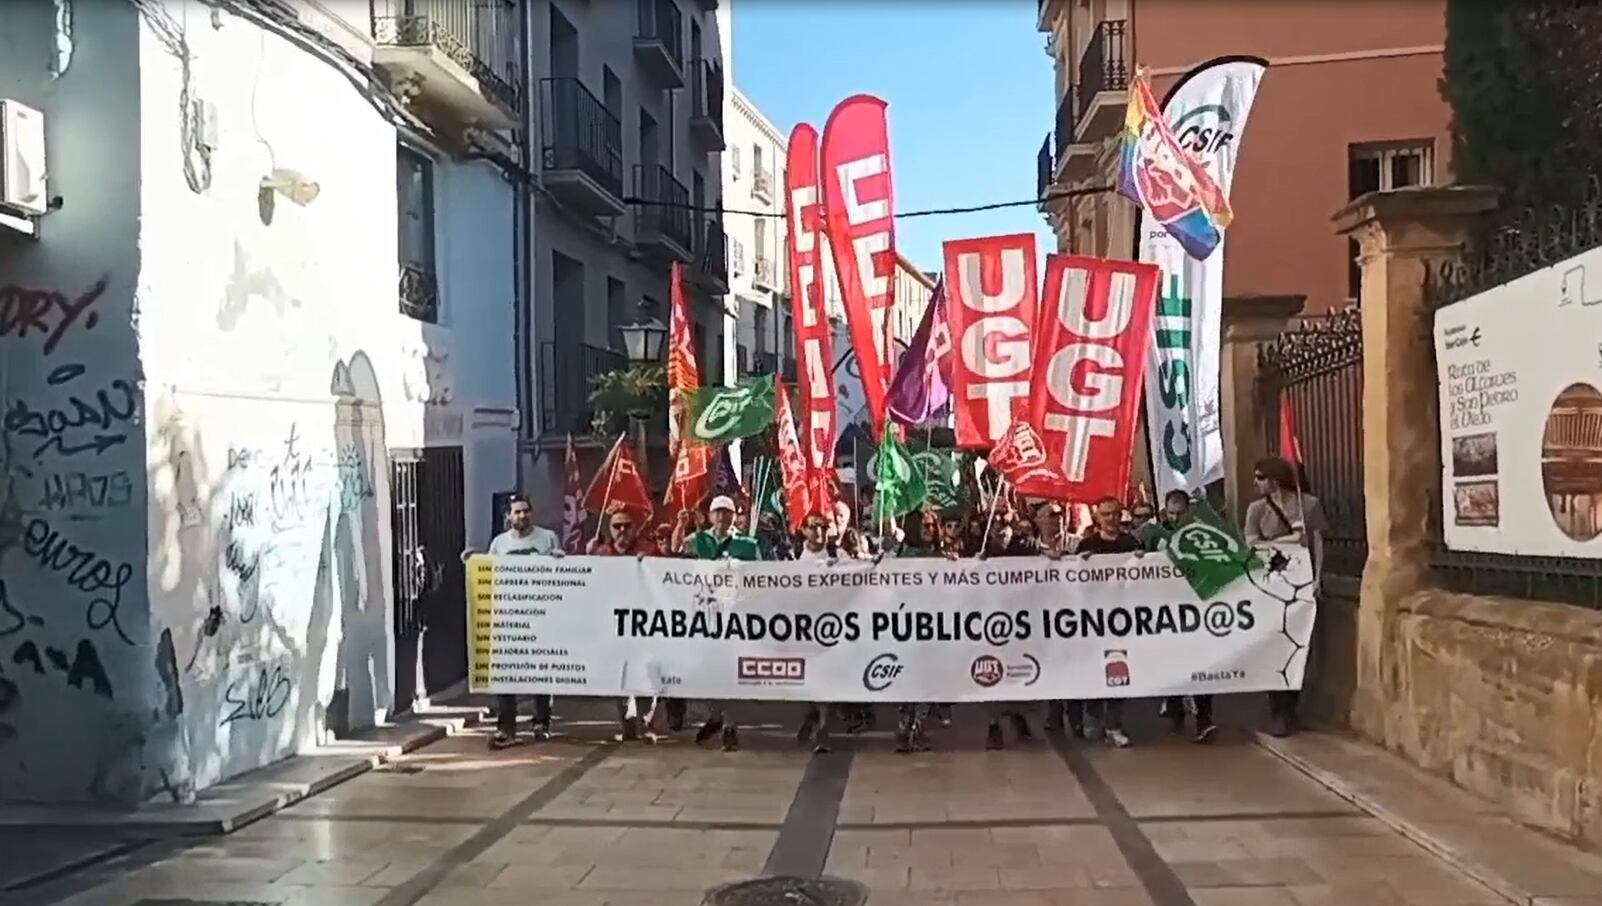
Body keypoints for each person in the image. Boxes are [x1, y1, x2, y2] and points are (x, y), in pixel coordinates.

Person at [468, 493, 563, 750]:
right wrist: (472, 561)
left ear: (532, 512)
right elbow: (488, 572)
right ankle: (506, 726)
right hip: (508, 618)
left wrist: (560, 560)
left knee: (541, 673)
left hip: (540, 616)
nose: (521, 516)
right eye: (516, 512)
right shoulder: (499, 543)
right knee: (505, 676)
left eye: (525, 511)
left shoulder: (547, 538)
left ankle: (542, 722)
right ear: (509, 516)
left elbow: (561, 571)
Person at [1244, 455, 1327, 738]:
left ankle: (1292, 708)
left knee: (1300, 646)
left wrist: (1317, 578)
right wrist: (1288, 540)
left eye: (1260, 477)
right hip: (1271, 586)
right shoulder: (1256, 510)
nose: (1256, 483)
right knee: (1274, 646)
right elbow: (1252, 543)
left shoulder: (1309, 505)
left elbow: (1317, 542)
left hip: (1301, 584)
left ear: (1274, 479)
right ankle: (1277, 709)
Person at [676, 495, 762, 751]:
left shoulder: (748, 544)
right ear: (710, 515)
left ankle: (729, 726)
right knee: (706, 671)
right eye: (718, 512)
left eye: (727, 512)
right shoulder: (700, 540)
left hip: (735, 618)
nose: (723, 517)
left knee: (730, 672)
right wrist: (681, 525)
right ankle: (715, 716)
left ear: (735, 515)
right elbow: (676, 553)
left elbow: (763, 576)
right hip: (705, 617)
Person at [1073, 496, 1145, 748]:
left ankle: (1114, 724)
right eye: (1105, 514)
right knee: (1093, 669)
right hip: (1094, 619)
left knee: (1119, 670)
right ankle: (1092, 717)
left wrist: (1141, 560)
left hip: (1123, 618)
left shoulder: (1131, 542)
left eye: (1114, 513)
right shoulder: (1087, 545)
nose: (1111, 519)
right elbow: (1075, 582)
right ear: (1097, 517)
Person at [588, 504, 662, 743]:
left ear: (634, 528)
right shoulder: (601, 553)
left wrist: (651, 564)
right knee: (617, 677)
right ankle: (627, 723)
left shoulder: (648, 550)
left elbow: (665, 578)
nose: (622, 530)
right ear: (610, 529)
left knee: (646, 676)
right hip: (612, 625)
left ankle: (645, 723)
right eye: (616, 526)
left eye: (626, 526)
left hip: (643, 624)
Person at [978, 515, 1037, 750]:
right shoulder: (980, 548)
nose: (1001, 528)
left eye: (1005, 523)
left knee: (1018, 673)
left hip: (1019, 620)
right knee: (989, 675)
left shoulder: (1026, 547)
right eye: (996, 524)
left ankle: (1018, 718)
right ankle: (994, 725)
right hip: (987, 622)